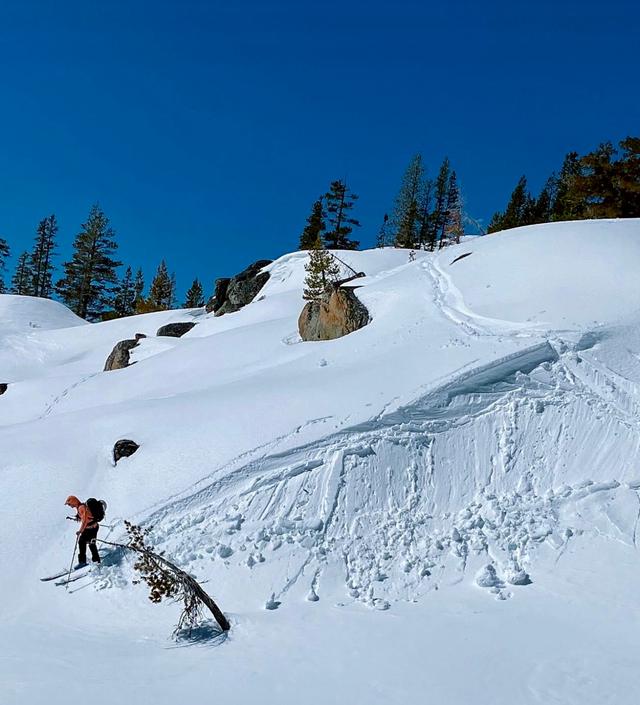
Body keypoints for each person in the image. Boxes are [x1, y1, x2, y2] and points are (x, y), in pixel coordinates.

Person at [65, 495, 101, 567]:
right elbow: (85, 518)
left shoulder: (81, 508)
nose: (69, 506)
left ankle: (89, 561)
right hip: (92, 527)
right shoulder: (80, 507)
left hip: (91, 528)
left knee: (87, 543)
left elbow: (85, 522)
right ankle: (95, 560)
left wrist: (80, 531)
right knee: (88, 542)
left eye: (69, 504)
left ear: (73, 501)